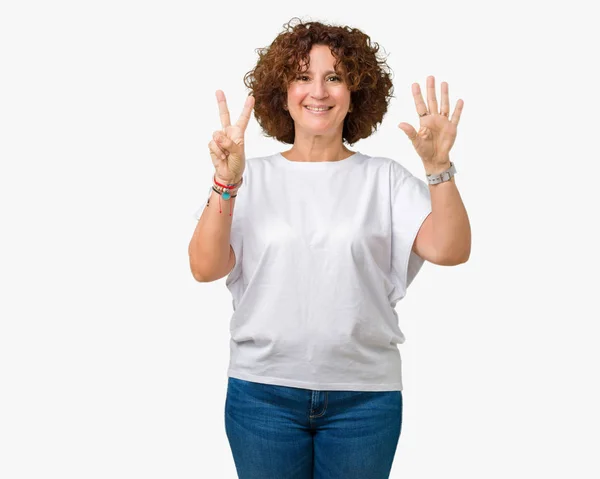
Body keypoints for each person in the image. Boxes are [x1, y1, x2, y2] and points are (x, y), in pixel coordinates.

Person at [189, 17, 471, 479]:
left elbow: (451, 249)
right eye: (303, 76)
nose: (317, 91)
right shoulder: (249, 177)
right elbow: (203, 267)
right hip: (263, 395)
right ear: (282, 92)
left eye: (334, 77)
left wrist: (438, 167)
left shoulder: (384, 180)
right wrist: (225, 182)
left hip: (364, 401)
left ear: (354, 92)